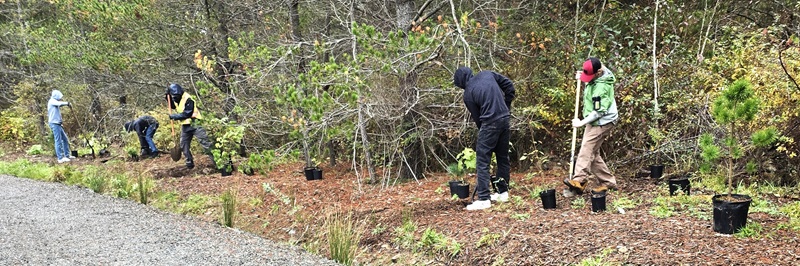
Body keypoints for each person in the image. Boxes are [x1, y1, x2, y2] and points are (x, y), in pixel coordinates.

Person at [453, 66, 516, 211]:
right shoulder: (487, 74)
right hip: (505, 119)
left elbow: (479, 121)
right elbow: (509, 86)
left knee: (482, 159)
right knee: (502, 156)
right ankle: (502, 192)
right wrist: (506, 105)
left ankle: (483, 198)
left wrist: (488, 137)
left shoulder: (468, 94)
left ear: (461, 82)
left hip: (489, 123)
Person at [565, 57, 620, 195]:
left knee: (586, 148)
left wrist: (581, 123)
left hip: (604, 121)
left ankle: (579, 180)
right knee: (592, 153)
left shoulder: (602, 87)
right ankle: (608, 182)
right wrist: (581, 77)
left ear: (598, 73)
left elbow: (599, 111)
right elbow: (590, 79)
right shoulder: (598, 73)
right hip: (593, 120)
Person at [166, 83, 214, 169]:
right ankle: (189, 162)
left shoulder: (188, 98)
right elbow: (173, 105)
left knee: (205, 143)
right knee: (183, 144)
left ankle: (219, 163)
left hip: (195, 123)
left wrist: (174, 116)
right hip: (185, 126)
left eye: (175, 96)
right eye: (173, 96)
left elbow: (187, 113)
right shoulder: (176, 99)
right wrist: (167, 96)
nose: (174, 98)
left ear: (179, 93)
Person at [47, 90, 75, 164]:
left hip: (58, 123)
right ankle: (60, 158)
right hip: (54, 124)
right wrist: (67, 103)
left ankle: (67, 155)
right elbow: (59, 104)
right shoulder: (52, 101)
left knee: (65, 139)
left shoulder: (54, 101)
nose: (60, 98)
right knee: (58, 140)